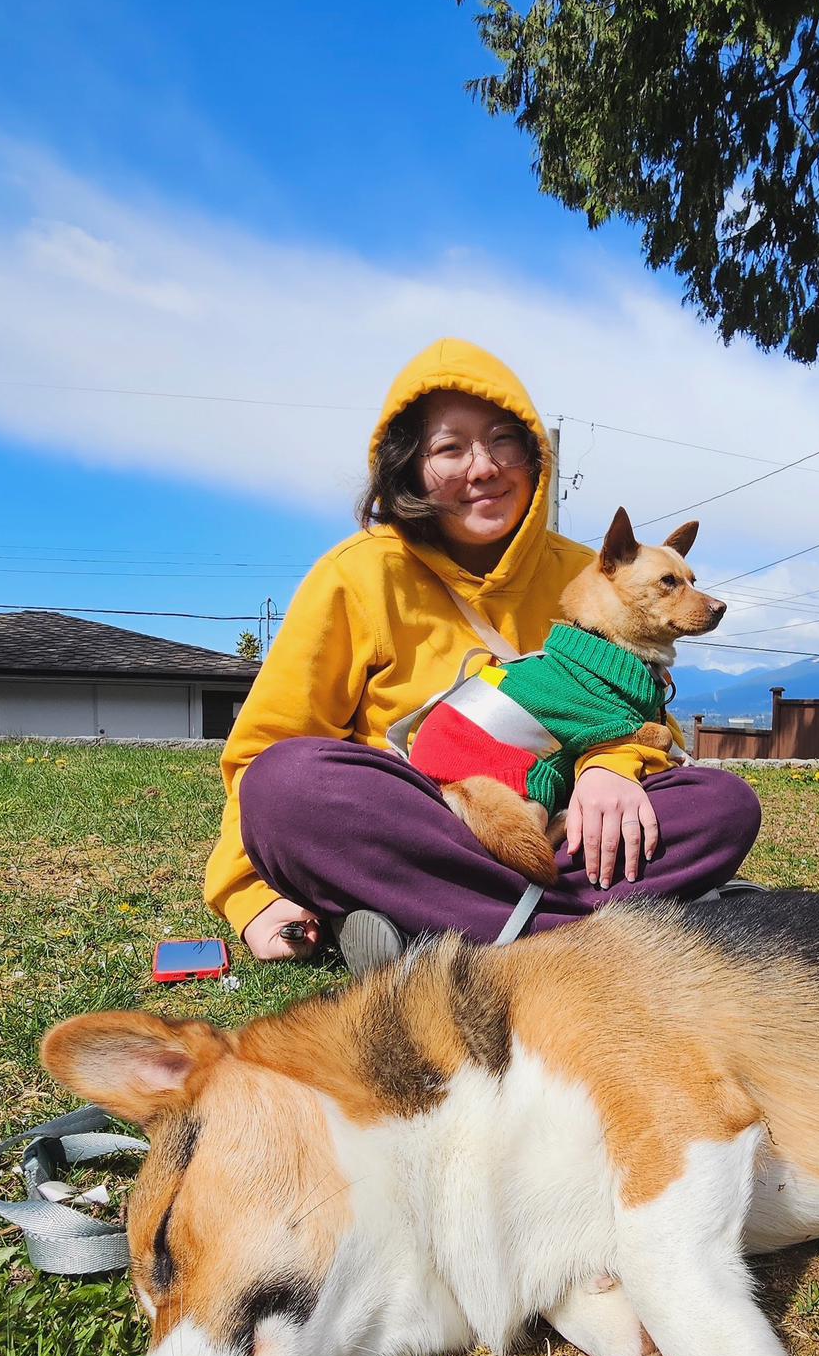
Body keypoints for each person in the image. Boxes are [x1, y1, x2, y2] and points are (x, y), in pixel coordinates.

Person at [204, 339, 762, 970]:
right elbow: (263, 752)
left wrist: (612, 768)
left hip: (560, 825)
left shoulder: (597, 574)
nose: (483, 467)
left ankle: (430, 929)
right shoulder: (354, 575)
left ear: (535, 455)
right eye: (449, 448)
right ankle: (571, 932)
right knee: (286, 783)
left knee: (722, 805)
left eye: (503, 440)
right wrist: (252, 901)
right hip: (426, 818)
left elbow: (635, 711)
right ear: (409, 469)